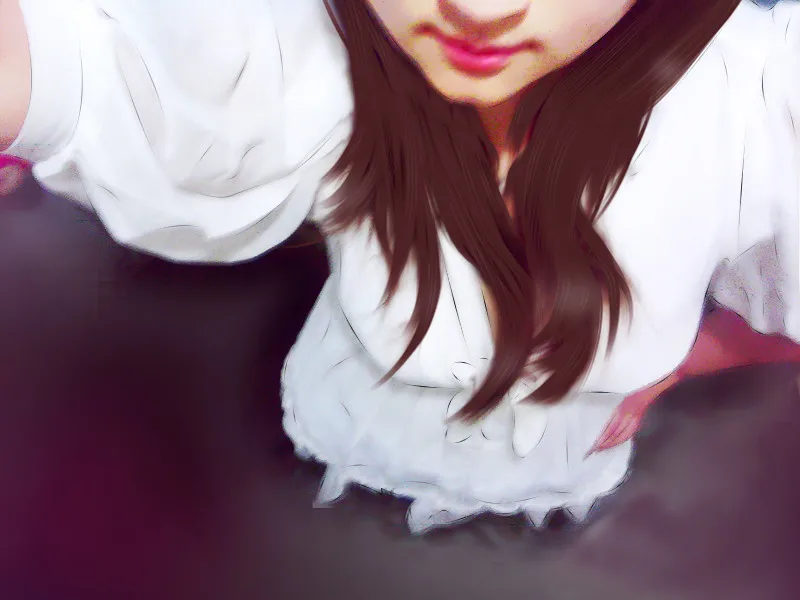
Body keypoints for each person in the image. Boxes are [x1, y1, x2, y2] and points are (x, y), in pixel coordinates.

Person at [0, 0, 798, 533]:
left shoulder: (749, 101)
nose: (479, 10)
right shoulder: (315, 52)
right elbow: (110, 70)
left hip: (577, 477)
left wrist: (708, 351)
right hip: (349, 448)